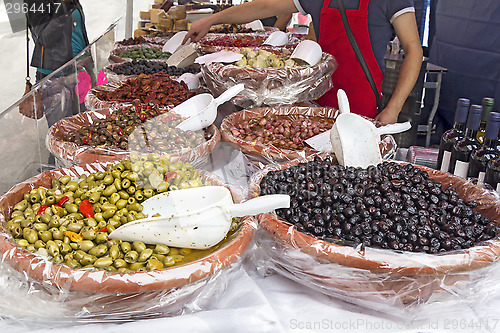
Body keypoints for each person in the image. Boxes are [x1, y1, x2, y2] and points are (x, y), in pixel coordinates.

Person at [184, 0, 423, 124]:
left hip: (361, 109)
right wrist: (211, 20)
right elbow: (264, 6)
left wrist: (393, 109)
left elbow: (414, 52)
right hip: (313, 105)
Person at [25, 0, 89, 81]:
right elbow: (45, 39)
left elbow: (77, 32)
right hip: (56, 77)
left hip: (81, 69)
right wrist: (64, 5)